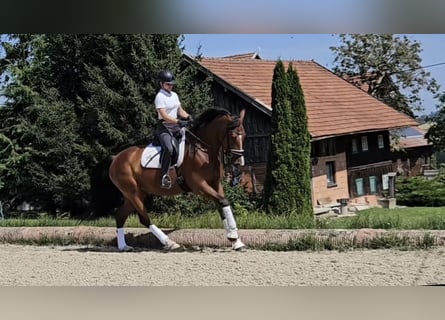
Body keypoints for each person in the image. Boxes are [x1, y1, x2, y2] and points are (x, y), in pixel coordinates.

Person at [154, 70, 192, 189]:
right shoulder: (159, 97)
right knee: (169, 149)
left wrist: (189, 117)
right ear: (161, 84)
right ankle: (164, 176)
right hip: (164, 128)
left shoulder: (174, 95)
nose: (170, 86)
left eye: (171, 84)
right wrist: (179, 121)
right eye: (168, 84)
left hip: (176, 127)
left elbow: (179, 110)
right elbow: (164, 115)